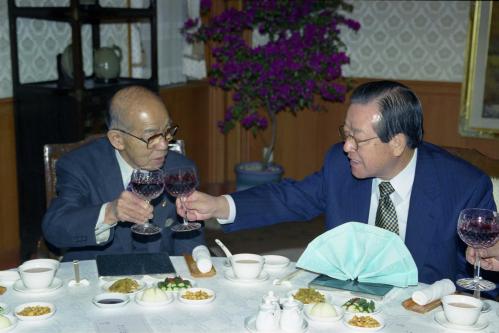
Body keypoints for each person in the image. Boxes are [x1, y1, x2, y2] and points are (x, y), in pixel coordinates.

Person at [178, 80, 497, 286]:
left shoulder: (464, 187)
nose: (346, 147)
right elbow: (289, 198)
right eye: (345, 134)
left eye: (357, 139)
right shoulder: (341, 166)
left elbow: (482, 278)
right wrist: (219, 205)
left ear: (397, 143)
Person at [42, 86, 204, 261]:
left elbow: (190, 241)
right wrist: (110, 212)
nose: (164, 145)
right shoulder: (80, 166)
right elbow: (55, 228)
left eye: (167, 132)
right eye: (151, 137)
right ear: (117, 139)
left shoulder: (180, 171)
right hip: (97, 278)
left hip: (162, 279)